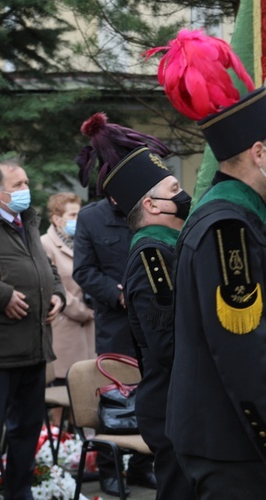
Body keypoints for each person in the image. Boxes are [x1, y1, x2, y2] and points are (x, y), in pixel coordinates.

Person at [150, 30, 266, 497]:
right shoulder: (228, 230)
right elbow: (245, 354)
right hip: (233, 443)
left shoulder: (242, 217)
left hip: (231, 435)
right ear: (260, 153)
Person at [81, 116, 196, 499]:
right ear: (151, 203)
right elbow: (168, 347)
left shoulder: (167, 247)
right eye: (174, 188)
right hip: (174, 408)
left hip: (180, 404)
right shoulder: (153, 257)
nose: (184, 195)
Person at [0, 159, 66, 500]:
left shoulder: (28, 222)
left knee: (27, 431)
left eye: (25, 183)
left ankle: (19, 492)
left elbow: (46, 267)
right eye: (17, 185)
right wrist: (1, 294)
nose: (25, 190)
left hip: (34, 348)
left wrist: (58, 295)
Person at [73, 114, 165, 497]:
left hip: (153, 321)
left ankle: (145, 465)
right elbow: (84, 271)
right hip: (116, 323)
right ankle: (111, 468)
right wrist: (117, 291)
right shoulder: (91, 219)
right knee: (113, 397)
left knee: (151, 391)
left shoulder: (147, 210)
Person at [40, 192, 94, 384]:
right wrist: (85, 312)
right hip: (65, 329)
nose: (77, 219)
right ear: (56, 219)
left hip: (88, 330)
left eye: (79, 214)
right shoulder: (45, 244)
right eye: (72, 215)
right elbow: (55, 287)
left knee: (85, 395)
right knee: (61, 393)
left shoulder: (82, 241)